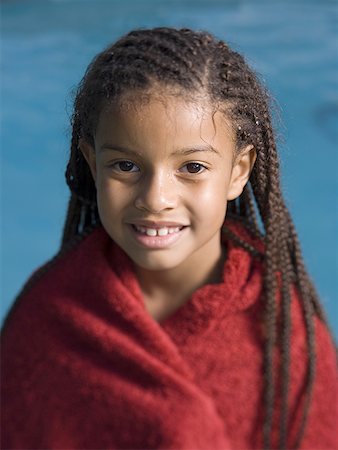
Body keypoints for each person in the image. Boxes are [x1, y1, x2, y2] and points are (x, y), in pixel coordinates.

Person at [1, 27, 337, 450]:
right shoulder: (48, 319)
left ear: (238, 170)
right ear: (92, 162)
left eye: (192, 168)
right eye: (125, 166)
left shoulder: (285, 333)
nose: (156, 199)